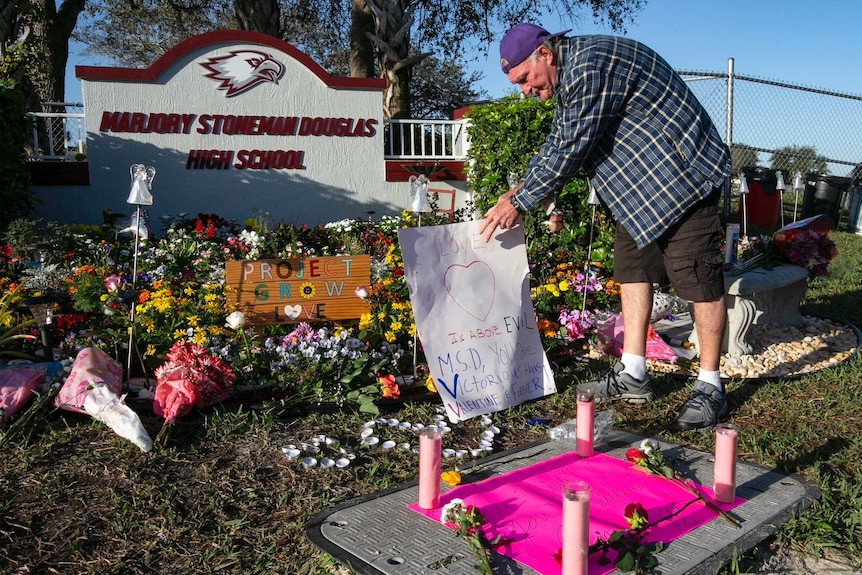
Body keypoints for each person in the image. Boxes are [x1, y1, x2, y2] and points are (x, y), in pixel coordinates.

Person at [478, 23, 731, 431]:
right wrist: (520, 187)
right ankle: (633, 372)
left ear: (545, 53)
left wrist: (521, 204)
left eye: (524, 78)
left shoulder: (590, 65)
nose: (524, 89)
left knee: (697, 275)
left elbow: (571, 148)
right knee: (633, 269)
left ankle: (710, 386)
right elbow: (558, 139)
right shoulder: (570, 74)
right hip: (639, 188)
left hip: (683, 177)